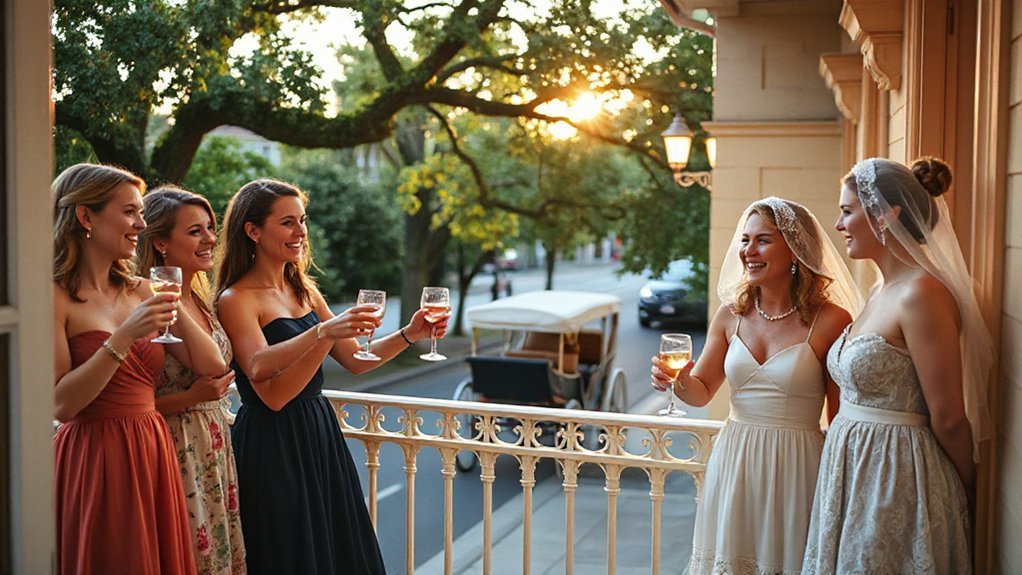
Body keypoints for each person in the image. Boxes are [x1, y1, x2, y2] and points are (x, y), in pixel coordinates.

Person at [215, 179, 448, 575]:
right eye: (287, 222)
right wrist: (324, 333)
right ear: (253, 231)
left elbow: (357, 360)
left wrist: (411, 333)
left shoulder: (303, 290)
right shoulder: (236, 299)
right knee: (289, 553)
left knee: (336, 548)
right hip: (273, 444)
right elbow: (270, 393)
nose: (300, 231)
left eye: (302, 221)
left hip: (318, 434)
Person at [650, 197, 862, 574]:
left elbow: (841, 416)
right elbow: (700, 392)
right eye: (745, 240)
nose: (749, 250)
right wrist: (677, 381)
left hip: (798, 466)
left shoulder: (831, 320)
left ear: (796, 250)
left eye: (763, 240)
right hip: (735, 460)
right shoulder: (731, 314)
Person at [802, 157, 994, 573]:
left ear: (886, 216)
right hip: (852, 469)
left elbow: (948, 417)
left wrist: (969, 488)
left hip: (896, 476)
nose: (838, 225)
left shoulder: (922, 294)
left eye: (847, 211)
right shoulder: (879, 291)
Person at [52, 163, 228, 574]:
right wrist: (123, 337)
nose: (141, 224)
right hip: (94, 455)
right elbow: (61, 404)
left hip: (152, 446)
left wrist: (171, 302)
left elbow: (212, 364)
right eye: (130, 212)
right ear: (85, 216)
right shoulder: (56, 296)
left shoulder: (140, 289)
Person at [138, 186, 246, 574]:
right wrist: (189, 398)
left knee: (216, 548)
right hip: (172, 441)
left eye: (211, 228)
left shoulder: (201, 298)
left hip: (212, 441)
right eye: (195, 231)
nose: (211, 240)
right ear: (161, 242)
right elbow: (213, 366)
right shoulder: (149, 305)